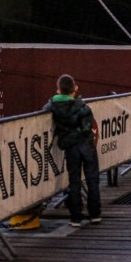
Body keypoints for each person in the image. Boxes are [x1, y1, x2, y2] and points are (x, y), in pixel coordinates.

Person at [45, 74, 102, 227]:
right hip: (86, 146)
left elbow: (44, 110)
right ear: (75, 89)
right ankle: (94, 214)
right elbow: (86, 128)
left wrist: (67, 139)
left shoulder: (52, 105)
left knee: (74, 181)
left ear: (58, 90)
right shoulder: (82, 107)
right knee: (92, 179)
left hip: (71, 148)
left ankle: (75, 217)